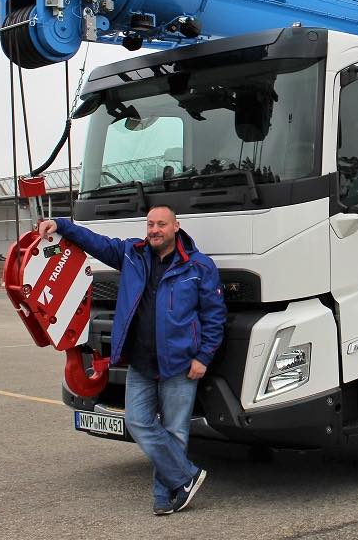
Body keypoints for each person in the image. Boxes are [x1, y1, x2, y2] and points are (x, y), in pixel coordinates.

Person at [38, 205, 227, 516]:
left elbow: (214, 316)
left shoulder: (199, 267)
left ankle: (165, 498)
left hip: (180, 364)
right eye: (150, 224)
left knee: (175, 431)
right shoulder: (131, 255)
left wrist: (203, 357)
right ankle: (187, 476)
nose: (154, 230)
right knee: (137, 422)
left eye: (161, 224)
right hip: (139, 362)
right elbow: (94, 241)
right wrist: (60, 224)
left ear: (176, 227)